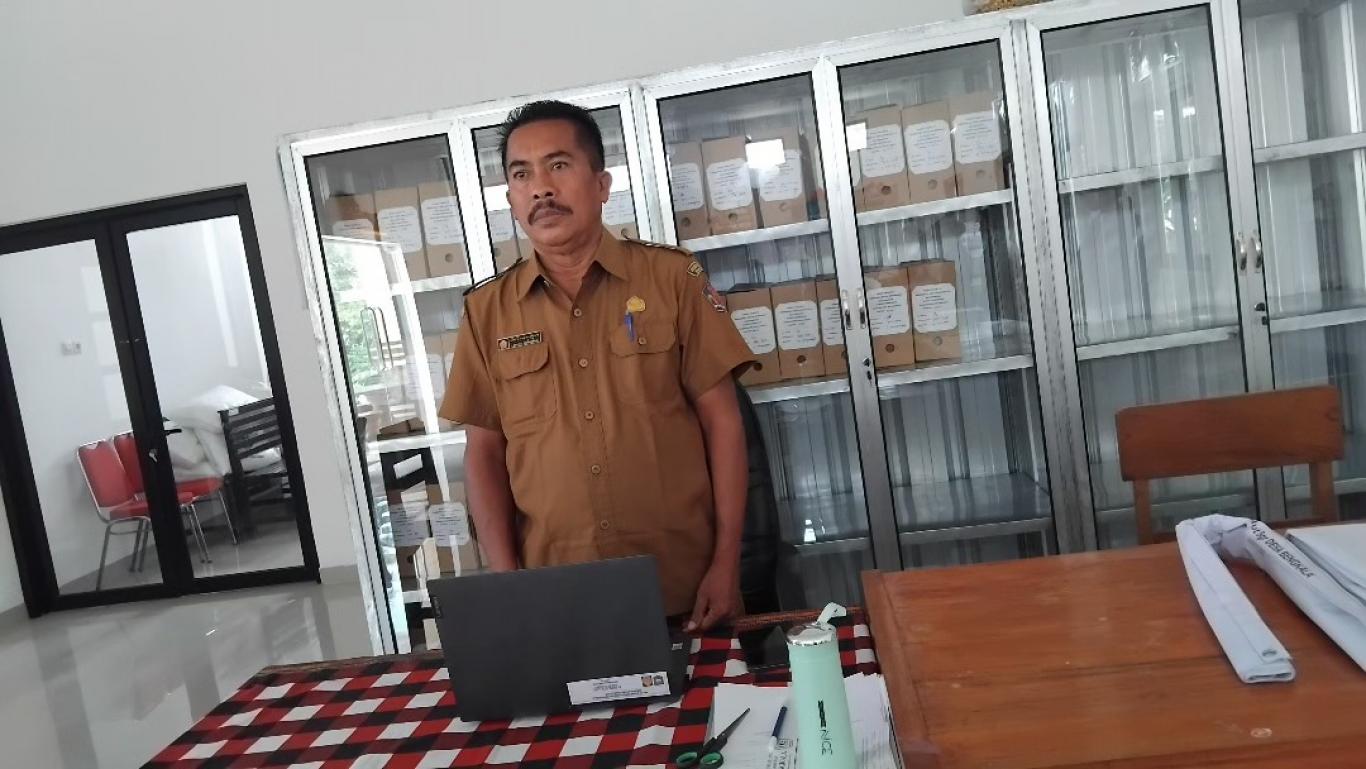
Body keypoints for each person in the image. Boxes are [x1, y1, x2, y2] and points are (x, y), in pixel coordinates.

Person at [440, 100, 756, 631]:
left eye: (559, 165)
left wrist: (727, 564)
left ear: (602, 185)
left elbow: (723, 423)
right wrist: (509, 584)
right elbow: (484, 455)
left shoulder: (672, 280)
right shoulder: (487, 311)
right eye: (522, 174)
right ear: (511, 199)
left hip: (684, 585)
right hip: (557, 597)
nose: (541, 188)